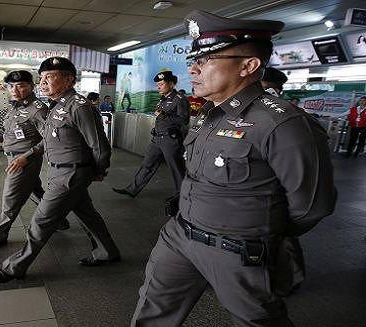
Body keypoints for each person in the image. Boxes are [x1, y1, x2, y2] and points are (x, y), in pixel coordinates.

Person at [131, 11, 336, 326]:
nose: (194, 68)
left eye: (208, 58)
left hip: (236, 251)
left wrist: (257, 231)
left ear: (248, 66)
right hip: (179, 236)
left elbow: (311, 206)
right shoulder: (211, 112)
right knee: (151, 314)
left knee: (256, 321)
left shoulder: (283, 122)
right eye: (194, 58)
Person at [0, 57, 120, 283]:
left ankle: (13, 268)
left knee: (40, 222)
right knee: (88, 215)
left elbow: (99, 145)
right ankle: (108, 252)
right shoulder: (56, 106)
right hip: (58, 171)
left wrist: (98, 171)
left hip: (72, 173)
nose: (43, 82)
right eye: (42, 78)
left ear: (69, 80)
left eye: (50, 77)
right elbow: (47, 141)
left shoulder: (79, 106)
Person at [0, 70, 69, 251]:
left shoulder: (38, 110)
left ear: (32, 87)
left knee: (10, 200)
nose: (15, 89)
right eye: (11, 86)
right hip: (14, 159)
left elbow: (50, 139)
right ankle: (59, 220)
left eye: (21, 85)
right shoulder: (15, 106)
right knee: (35, 191)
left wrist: (26, 157)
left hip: (24, 162)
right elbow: (3, 132)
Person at [261, 67, 307, 296]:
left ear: (271, 88)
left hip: (279, 187)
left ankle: (291, 279)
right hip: (265, 188)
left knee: (283, 236)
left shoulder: (288, 114)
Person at [112, 71, 189, 201]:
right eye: (157, 84)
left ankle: (183, 196)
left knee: (177, 169)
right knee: (147, 164)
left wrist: (164, 115)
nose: (158, 87)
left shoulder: (179, 99)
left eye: (161, 84)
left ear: (171, 84)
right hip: (157, 139)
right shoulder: (163, 99)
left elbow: (183, 120)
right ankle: (132, 189)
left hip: (171, 140)